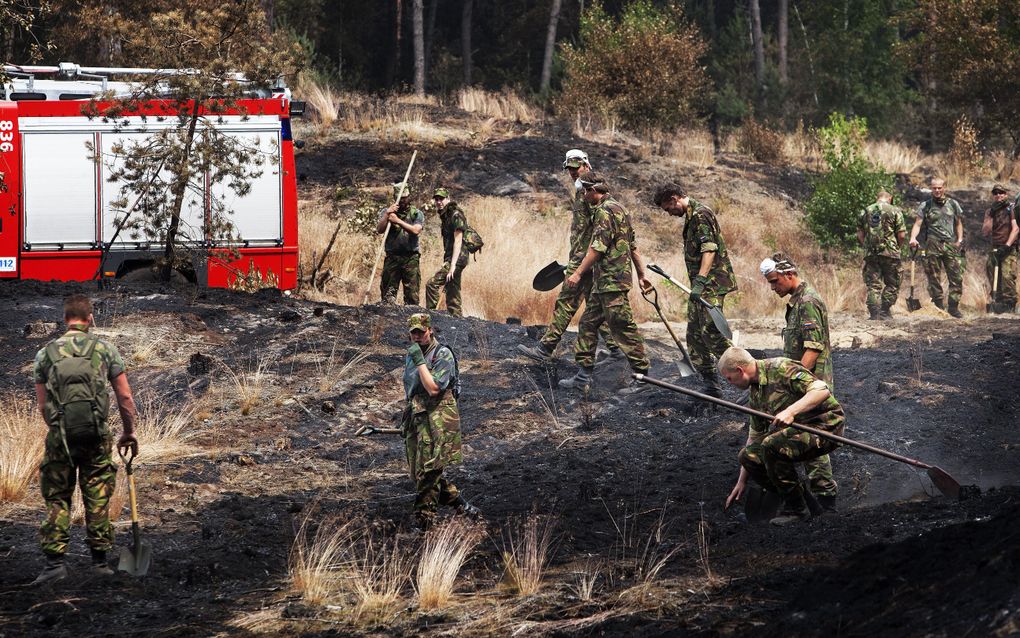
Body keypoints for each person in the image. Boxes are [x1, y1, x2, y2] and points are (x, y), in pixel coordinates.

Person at [32, 294, 138, 584]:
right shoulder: (105, 350)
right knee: (98, 497)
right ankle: (100, 563)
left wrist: (58, 428)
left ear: (65, 319)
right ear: (89, 318)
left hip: (60, 438)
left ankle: (54, 565)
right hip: (96, 436)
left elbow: (42, 405)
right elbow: (125, 397)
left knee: (57, 497)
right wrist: (128, 432)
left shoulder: (45, 354)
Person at [719, 347, 845, 526]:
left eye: (729, 378)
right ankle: (803, 502)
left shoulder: (781, 368)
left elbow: (821, 389)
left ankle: (796, 510)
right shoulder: (755, 393)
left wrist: (790, 411)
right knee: (747, 455)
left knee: (771, 445)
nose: (729, 383)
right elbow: (755, 437)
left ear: (740, 370)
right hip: (799, 432)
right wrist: (742, 481)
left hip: (826, 426)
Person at [518, 149, 620, 363]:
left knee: (566, 302)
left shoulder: (592, 191)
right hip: (586, 258)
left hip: (586, 260)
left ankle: (545, 349)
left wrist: (583, 262)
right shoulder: (582, 190)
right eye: (570, 169)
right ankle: (617, 350)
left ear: (586, 165)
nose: (573, 172)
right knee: (595, 307)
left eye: (577, 168)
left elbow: (599, 228)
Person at [558, 173, 651, 394]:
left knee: (622, 327)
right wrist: (641, 274)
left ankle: (643, 378)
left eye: (584, 191)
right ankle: (583, 377)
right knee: (588, 324)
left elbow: (597, 248)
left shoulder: (604, 211)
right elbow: (633, 247)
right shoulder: (621, 209)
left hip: (612, 281)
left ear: (593, 190)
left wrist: (578, 273)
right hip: (605, 282)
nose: (583, 195)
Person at [759, 253, 836, 511]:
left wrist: (792, 382)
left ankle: (825, 498)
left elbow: (812, 350)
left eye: (774, 281)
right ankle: (816, 495)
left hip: (810, 384)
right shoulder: (797, 301)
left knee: (812, 438)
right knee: (804, 438)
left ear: (789, 275)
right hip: (802, 383)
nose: (772, 288)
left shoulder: (808, 301)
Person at [654, 184, 737, 398]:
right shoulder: (691, 217)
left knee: (712, 334)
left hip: (712, 284)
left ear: (674, 199)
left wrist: (700, 281)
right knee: (695, 335)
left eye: (668, 208)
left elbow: (709, 250)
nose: (670, 214)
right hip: (701, 287)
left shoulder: (701, 214)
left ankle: (748, 376)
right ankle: (711, 386)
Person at [402, 312, 477, 528]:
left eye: (421, 333)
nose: (417, 337)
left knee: (429, 470)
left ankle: (424, 522)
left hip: (439, 418)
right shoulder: (412, 355)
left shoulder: (442, 354)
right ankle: (461, 504)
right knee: (419, 474)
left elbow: (434, 388)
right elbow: (411, 389)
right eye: (413, 333)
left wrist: (419, 361)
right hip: (417, 416)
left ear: (430, 330)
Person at [909, 177, 965, 317]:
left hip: (950, 244)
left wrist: (959, 239)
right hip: (932, 243)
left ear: (944, 188)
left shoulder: (953, 204)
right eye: (934, 188)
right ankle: (938, 306)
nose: (937, 190)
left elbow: (958, 223)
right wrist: (913, 238)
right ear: (931, 188)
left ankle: (953, 307)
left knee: (956, 277)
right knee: (933, 277)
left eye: (939, 188)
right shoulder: (925, 205)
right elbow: (917, 224)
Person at [857, 191, 907, 319]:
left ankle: (874, 314)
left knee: (873, 285)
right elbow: (901, 235)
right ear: (890, 198)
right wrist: (897, 248)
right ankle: (885, 311)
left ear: (877, 198)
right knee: (893, 283)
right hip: (891, 253)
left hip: (871, 254)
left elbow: (860, 234)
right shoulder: (895, 210)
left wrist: (867, 247)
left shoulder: (866, 210)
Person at [377, 182, 424, 305]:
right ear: (395, 197)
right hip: (392, 258)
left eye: (405, 197)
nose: (403, 200)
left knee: (412, 297)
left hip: (411, 259)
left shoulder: (416, 213)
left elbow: (416, 230)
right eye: (400, 198)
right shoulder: (387, 212)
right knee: (388, 296)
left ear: (409, 197)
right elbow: (380, 230)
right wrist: (387, 215)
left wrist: (397, 221)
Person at [425, 188, 470, 316]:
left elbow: (458, 240)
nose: (439, 202)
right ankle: (457, 320)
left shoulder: (455, 215)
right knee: (452, 292)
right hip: (454, 259)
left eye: (441, 199)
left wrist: (452, 265)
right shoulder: (446, 215)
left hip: (457, 259)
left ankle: (431, 317)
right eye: (436, 199)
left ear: (448, 199)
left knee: (432, 285)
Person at [981, 184, 1018, 313]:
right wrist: (991, 215)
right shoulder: (989, 210)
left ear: (1005, 194)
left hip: (1009, 247)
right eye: (996, 193)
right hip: (995, 247)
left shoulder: (1011, 208)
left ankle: (1010, 304)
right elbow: (985, 231)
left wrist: (1007, 245)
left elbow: (1016, 228)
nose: (998, 195)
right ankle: (998, 302)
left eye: (1001, 192)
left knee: (1007, 275)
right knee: (991, 271)